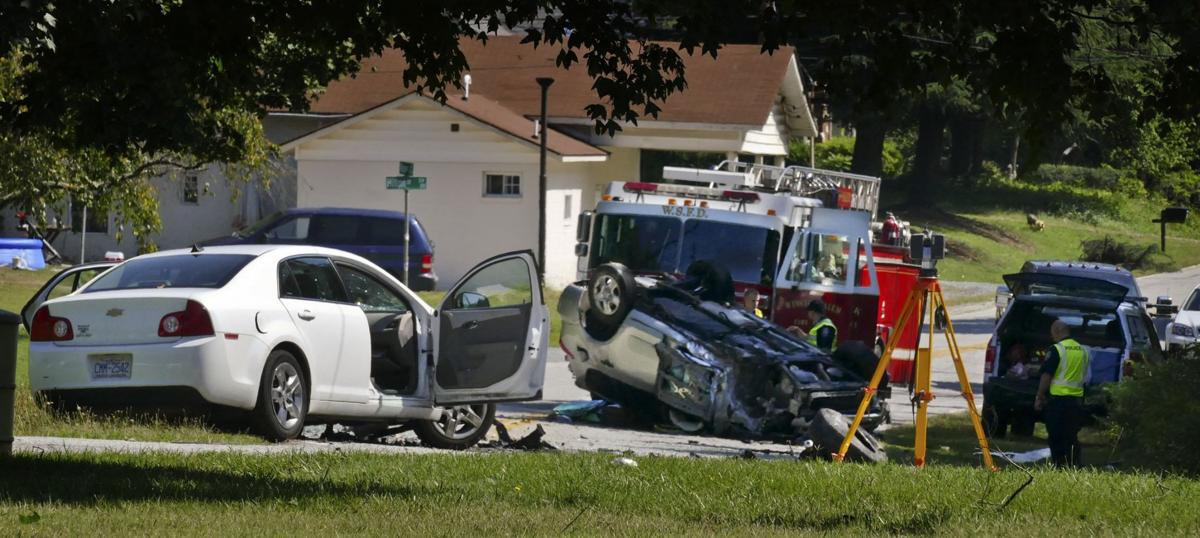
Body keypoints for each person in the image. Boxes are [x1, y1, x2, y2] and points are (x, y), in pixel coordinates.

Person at [1035, 320, 1091, 467]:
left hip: (1058, 401)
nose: (1051, 336)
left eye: (1052, 333)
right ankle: (1074, 464)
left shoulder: (1057, 349)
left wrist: (1040, 395)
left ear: (1057, 331)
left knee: (1056, 435)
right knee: (1071, 435)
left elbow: (1047, 375)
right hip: (1076, 401)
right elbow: (1087, 377)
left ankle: (1059, 465)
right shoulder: (1083, 350)